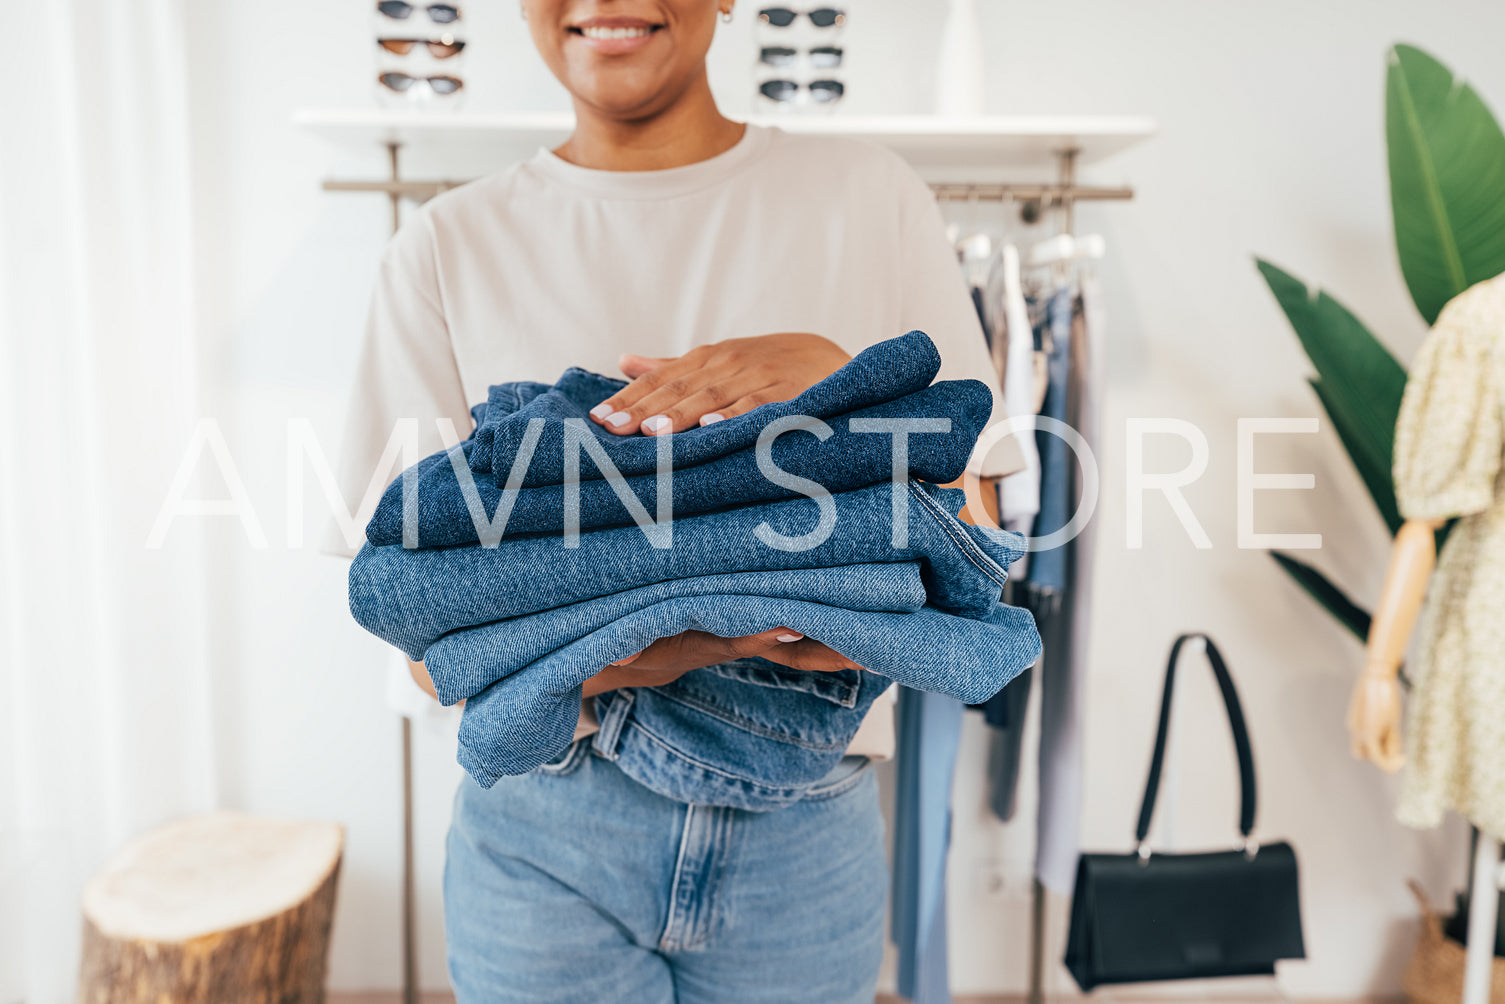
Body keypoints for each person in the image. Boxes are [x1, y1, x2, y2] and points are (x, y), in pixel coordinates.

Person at [330, 1, 1015, 999]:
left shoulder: (867, 197)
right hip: (543, 838)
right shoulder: (445, 246)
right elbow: (422, 637)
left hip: (802, 837)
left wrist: (830, 374)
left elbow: (969, 544)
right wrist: (727, 621)